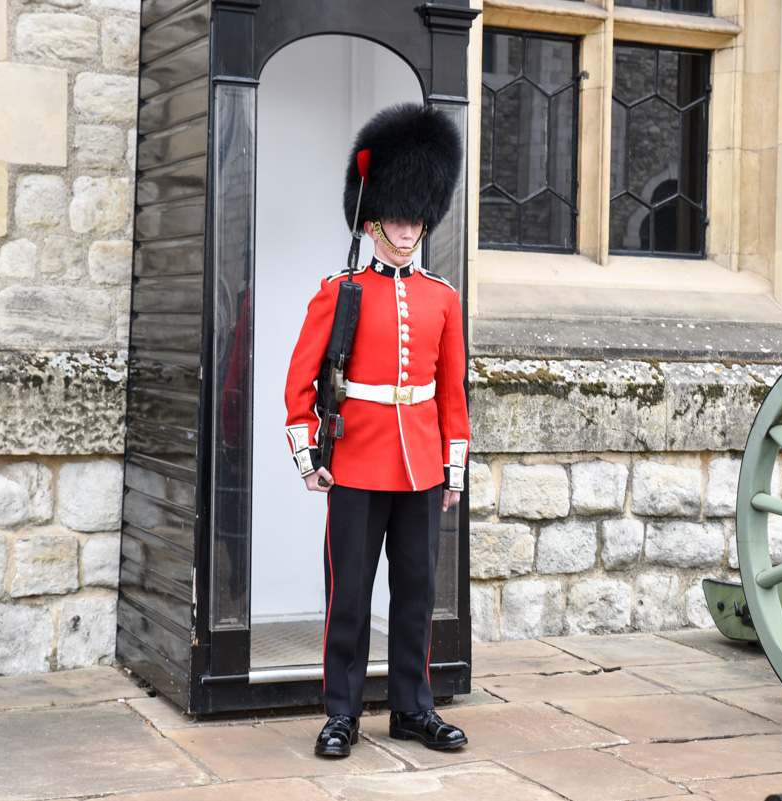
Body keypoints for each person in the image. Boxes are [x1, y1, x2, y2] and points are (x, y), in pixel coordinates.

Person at [284, 103, 470, 758]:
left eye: (416, 215)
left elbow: (451, 390)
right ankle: (342, 714)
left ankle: (413, 708)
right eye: (395, 214)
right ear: (371, 218)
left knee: (417, 595)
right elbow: (298, 386)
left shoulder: (442, 296)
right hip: (357, 463)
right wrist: (310, 457)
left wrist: (454, 465)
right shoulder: (341, 290)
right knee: (351, 598)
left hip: (421, 464)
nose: (407, 226)